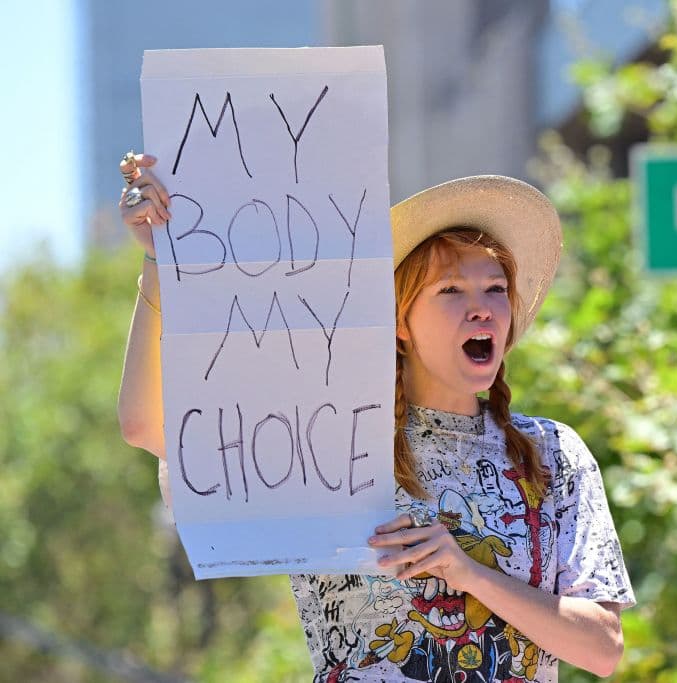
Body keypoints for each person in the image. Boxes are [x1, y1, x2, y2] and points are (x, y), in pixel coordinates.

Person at [117, 152, 635, 682]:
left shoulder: (553, 453)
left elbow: (603, 648)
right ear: (398, 321)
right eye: (451, 290)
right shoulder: (324, 436)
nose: (482, 307)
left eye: (495, 289)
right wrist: (160, 261)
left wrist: (469, 572)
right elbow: (146, 425)